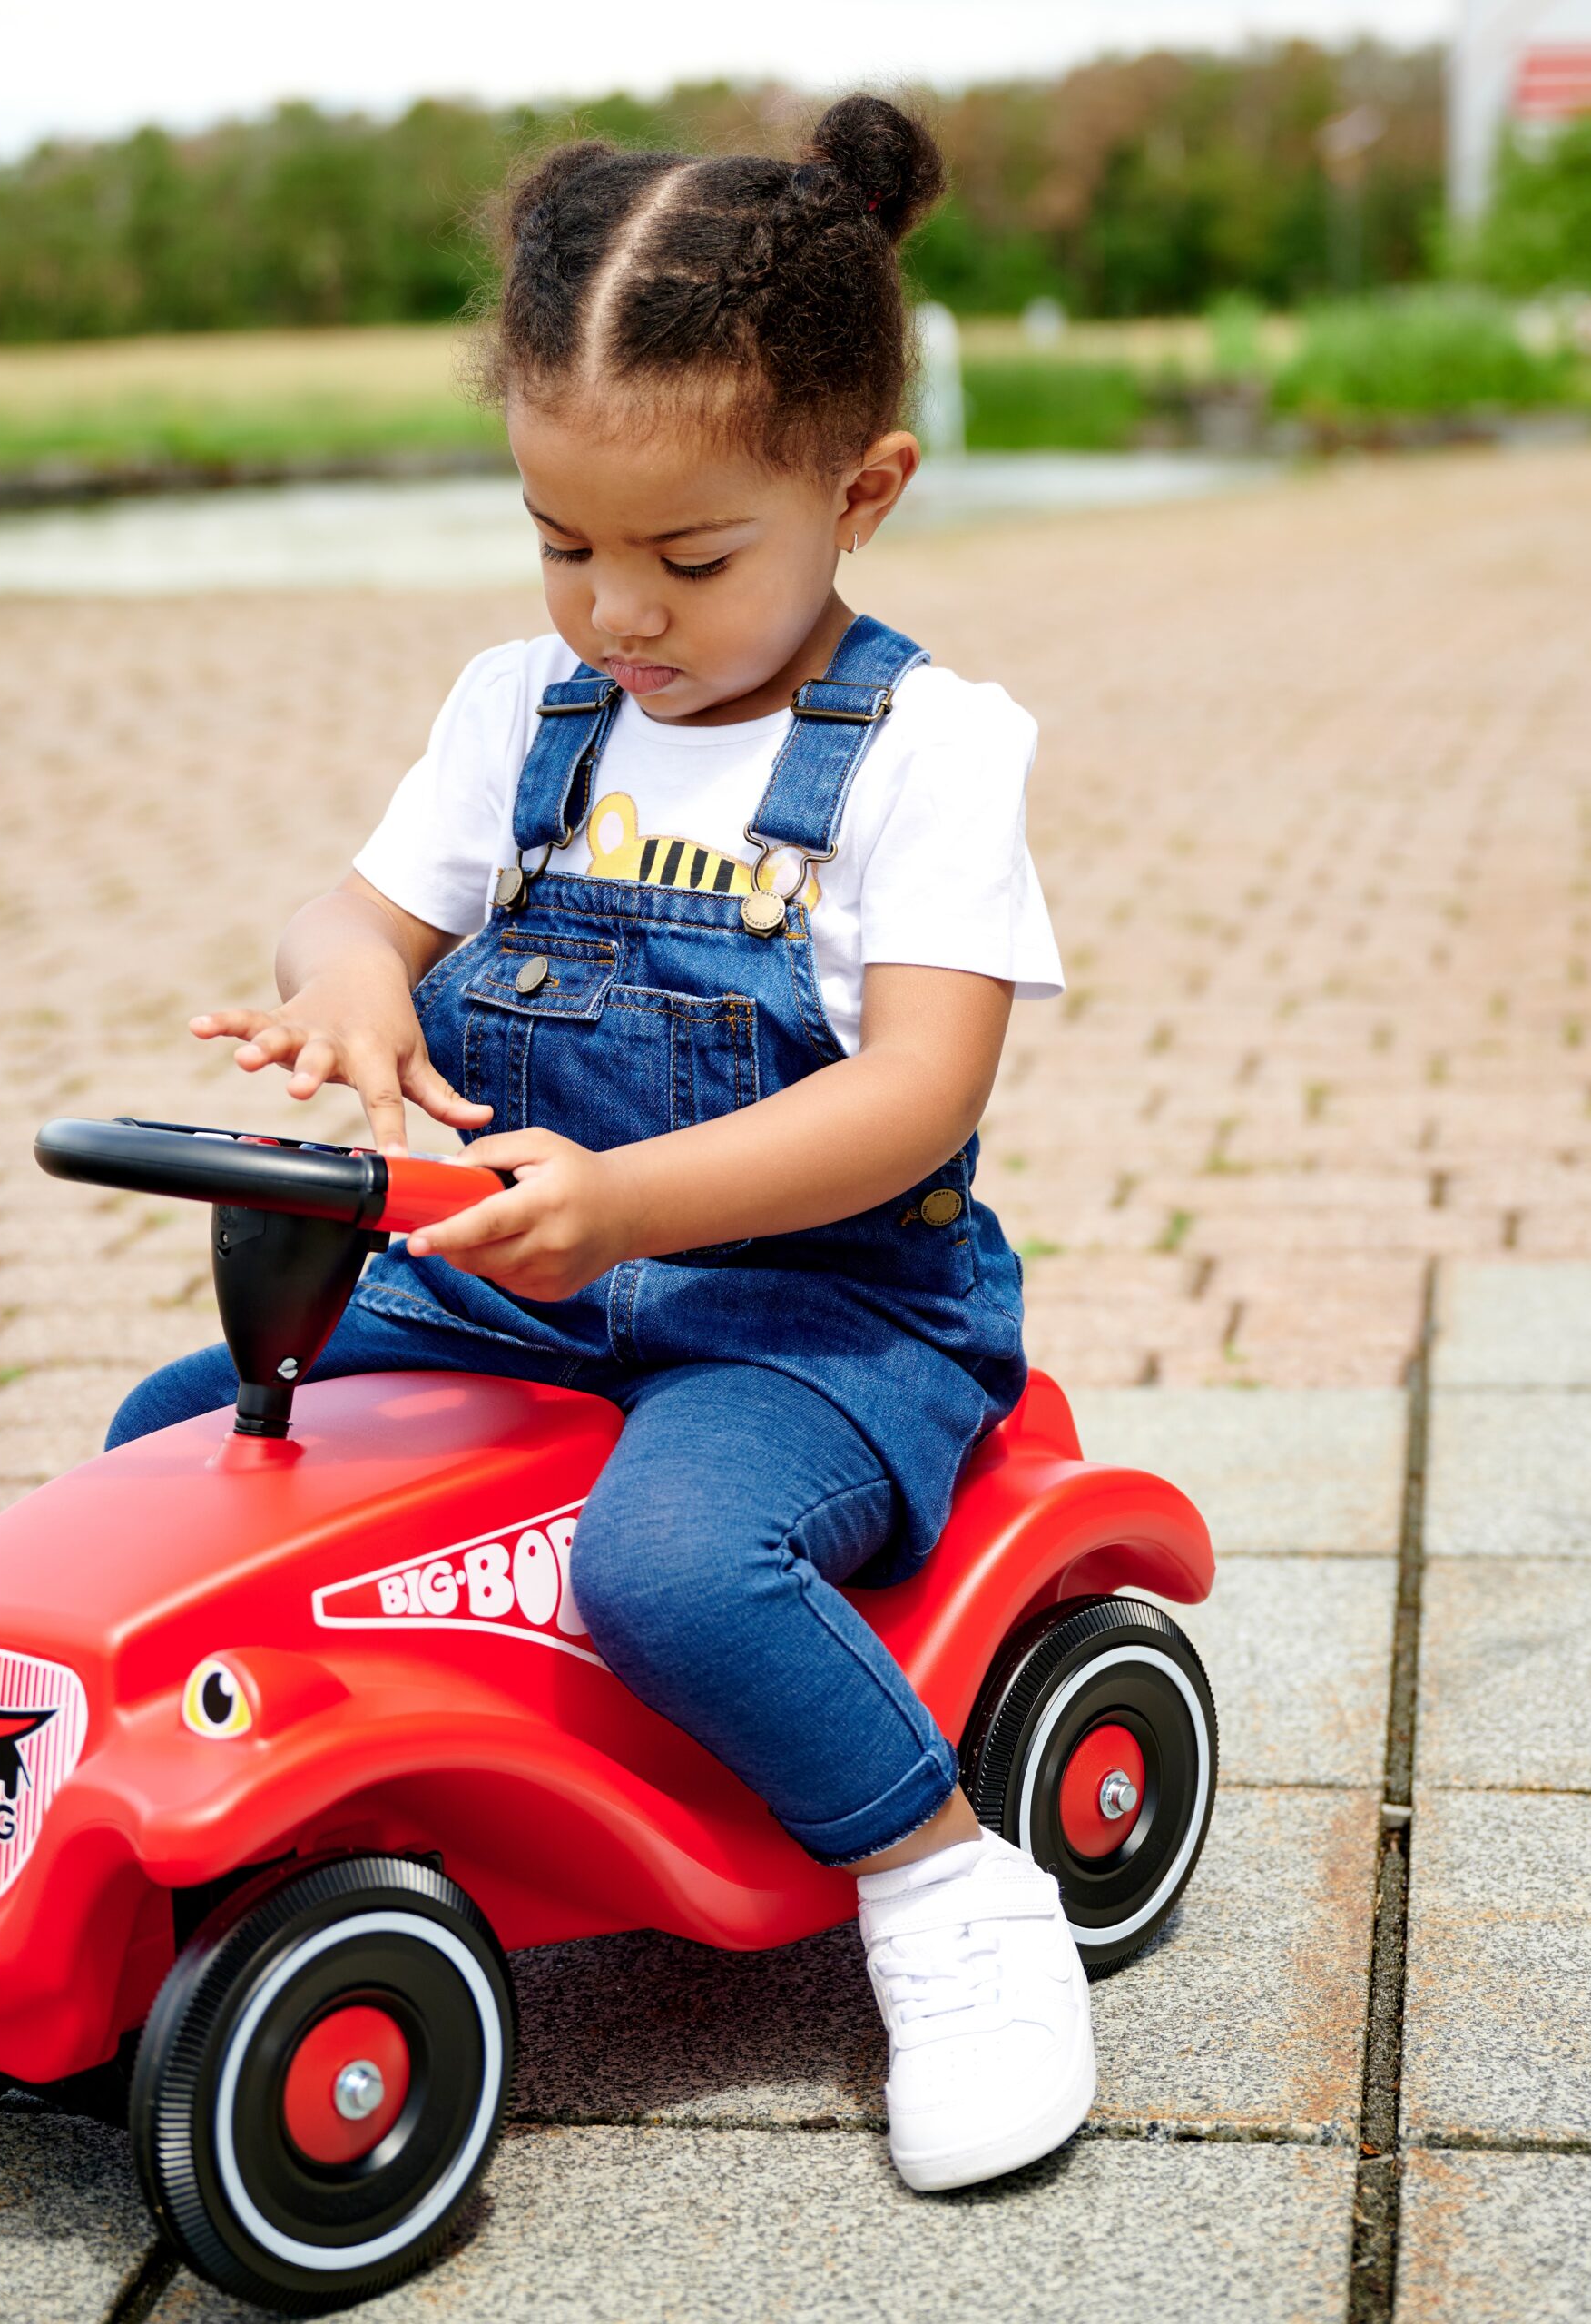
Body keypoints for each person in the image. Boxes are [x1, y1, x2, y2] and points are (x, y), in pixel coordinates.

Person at [105, 95, 1081, 2194]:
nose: (614, 611)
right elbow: (359, 908)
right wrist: (350, 977)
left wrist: (627, 1203)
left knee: (668, 1556)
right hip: (520, 1283)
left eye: (687, 555)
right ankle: (303, 1821)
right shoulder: (514, 713)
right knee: (182, 1429)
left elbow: (917, 1088)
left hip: (812, 1317)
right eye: (562, 543)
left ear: (862, 490)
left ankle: (944, 1890)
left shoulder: (927, 747)